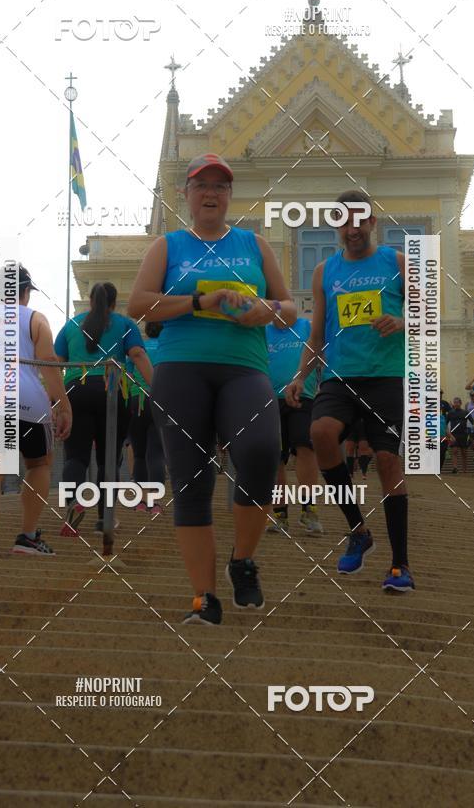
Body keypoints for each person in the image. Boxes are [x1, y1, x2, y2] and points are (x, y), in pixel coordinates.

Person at [128, 153, 296, 625]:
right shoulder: (168, 245)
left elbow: (289, 308)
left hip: (244, 368)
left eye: (220, 187)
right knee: (192, 484)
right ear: (186, 194)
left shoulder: (255, 244)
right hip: (181, 370)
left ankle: (243, 559)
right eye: (202, 186)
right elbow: (139, 305)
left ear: (229, 196)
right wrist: (200, 300)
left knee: (262, 454)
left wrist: (267, 310)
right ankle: (204, 598)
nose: (211, 194)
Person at [286, 190, 414, 593]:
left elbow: (429, 317)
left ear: (372, 223)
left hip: (386, 377)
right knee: (321, 433)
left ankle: (399, 565)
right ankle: (358, 530)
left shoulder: (398, 263)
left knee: (387, 462)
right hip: (340, 377)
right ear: (337, 226)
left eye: (360, 221)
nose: (353, 229)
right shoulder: (325, 271)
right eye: (344, 222)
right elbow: (318, 333)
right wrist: (298, 376)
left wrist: (402, 321)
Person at [0, 265, 72, 558]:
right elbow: (47, 359)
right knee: (39, 465)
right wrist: (63, 403)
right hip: (28, 400)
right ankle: (27, 537)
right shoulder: (34, 318)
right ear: (25, 291)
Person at [55, 282, 153, 533]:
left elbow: (55, 363)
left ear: (90, 301)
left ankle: (73, 502)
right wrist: (157, 388)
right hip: (112, 390)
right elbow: (138, 355)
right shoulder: (125, 324)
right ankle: (104, 519)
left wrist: (54, 400)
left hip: (76, 389)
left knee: (75, 455)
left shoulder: (71, 325)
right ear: (113, 302)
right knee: (109, 457)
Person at [265, 314, 322, 535]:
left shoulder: (307, 326)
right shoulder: (263, 332)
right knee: (276, 458)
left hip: (303, 397)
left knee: (305, 448)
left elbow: (322, 353)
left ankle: (309, 511)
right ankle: (280, 515)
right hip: (270, 401)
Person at [126, 321, 166, 515]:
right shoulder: (168, 348)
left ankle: (141, 501)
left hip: (136, 400)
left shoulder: (138, 348)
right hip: (160, 401)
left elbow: (126, 375)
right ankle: (155, 503)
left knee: (139, 453)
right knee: (156, 453)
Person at [447, 397, 469, 473]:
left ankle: (464, 469)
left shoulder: (465, 412)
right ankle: (455, 467)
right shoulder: (450, 413)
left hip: (463, 435)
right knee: (454, 451)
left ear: (460, 403)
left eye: (457, 402)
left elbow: (473, 422)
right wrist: (448, 434)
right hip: (454, 435)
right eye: (455, 402)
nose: (456, 404)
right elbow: (446, 423)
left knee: (464, 453)